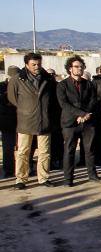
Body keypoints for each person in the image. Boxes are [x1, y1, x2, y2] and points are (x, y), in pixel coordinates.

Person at [8, 53, 57, 189]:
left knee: (44, 151)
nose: (37, 67)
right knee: (23, 151)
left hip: (44, 120)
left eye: (39, 64)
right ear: (26, 65)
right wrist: (27, 109)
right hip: (25, 120)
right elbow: (13, 99)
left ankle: (43, 178)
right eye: (33, 64)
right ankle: (21, 179)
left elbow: (53, 99)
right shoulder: (17, 80)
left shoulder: (48, 79)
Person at [56, 56, 101, 186]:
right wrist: (80, 114)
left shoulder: (89, 84)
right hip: (70, 122)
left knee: (89, 149)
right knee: (69, 150)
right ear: (70, 69)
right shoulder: (62, 85)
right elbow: (64, 104)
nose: (79, 69)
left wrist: (86, 115)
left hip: (87, 122)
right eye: (76, 66)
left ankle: (92, 175)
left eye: (81, 66)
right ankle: (68, 179)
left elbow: (93, 100)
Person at [0, 66, 19, 179]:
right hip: (7, 122)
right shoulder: (2, 87)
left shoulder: (21, 86)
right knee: (8, 147)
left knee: (24, 148)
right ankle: (9, 170)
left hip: (22, 121)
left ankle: (24, 168)